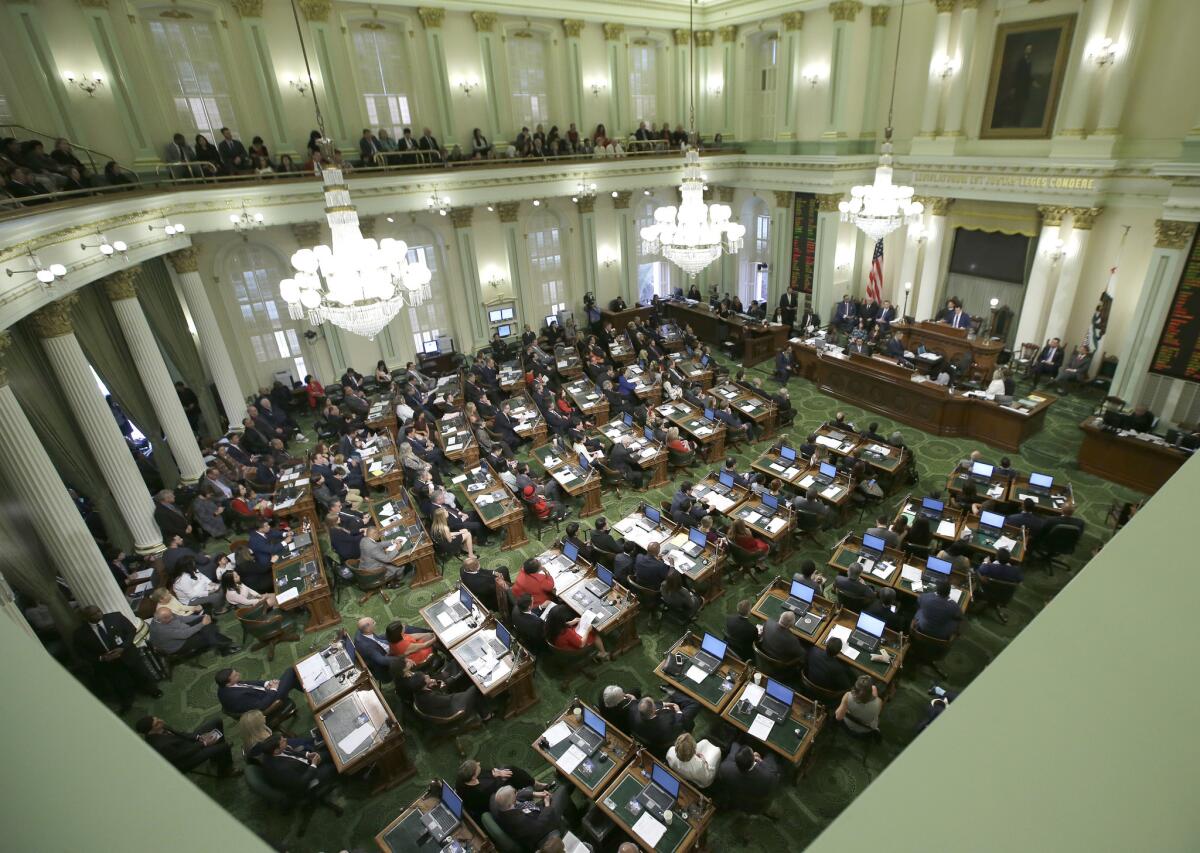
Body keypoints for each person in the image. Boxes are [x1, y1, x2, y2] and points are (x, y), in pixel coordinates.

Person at [73, 605, 161, 712]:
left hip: (127, 653)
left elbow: (131, 630)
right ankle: (127, 701)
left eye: (99, 611)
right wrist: (102, 658)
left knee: (141, 673)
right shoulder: (80, 634)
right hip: (109, 663)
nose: (98, 614)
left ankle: (152, 690)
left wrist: (122, 648)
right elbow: (82, 653)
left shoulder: (115, 617)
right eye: (94, 614)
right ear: (86, 618)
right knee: (120, 682)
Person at [136, 715, 237, 776]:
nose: (161, 721)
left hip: (188, 744)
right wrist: (204, 743)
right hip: (185, 760)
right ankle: (225, 771)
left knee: (216, 721)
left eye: (157, 719)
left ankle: (216, 757)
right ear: (151, 731)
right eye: (157, 723)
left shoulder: (161, 726)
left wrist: (198, 737)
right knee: (225, 746)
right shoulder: (161, 745)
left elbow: (181, 734)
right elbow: (183, 755)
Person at [491, 784, 572, 851]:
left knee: (558, 796)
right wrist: (547, 805)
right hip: (544, 828)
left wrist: (534, 794)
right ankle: (575, 821)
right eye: (515, 793)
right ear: (511, 802)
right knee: (562, 790)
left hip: (534, 813)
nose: (517, 793)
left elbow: (514, 796)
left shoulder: (497, 803)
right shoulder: (519, 821)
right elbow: (539, 825)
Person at [455, 760, 541, 822]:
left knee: (507, 769)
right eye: (477, 766)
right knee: (511, 772)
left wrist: (495, 773)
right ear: (473, 777)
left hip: (491, 788)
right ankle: (533, 786)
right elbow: (495, 787)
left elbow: (486, 772)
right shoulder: (482, 791)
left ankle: (533, 784)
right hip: (492, 803)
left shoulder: (461, 780)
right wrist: (498, 775)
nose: (478, 763)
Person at [148, 606, 238, 657]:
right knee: (205, 634)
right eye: (170, 616)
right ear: (163, 619)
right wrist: (202, 624)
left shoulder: (166, 615)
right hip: (178, 645)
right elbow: (184, 635)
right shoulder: (161, 630)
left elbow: (182, 618)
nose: (173, 617)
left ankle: (223, 646)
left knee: (205, 628)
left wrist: (201, 617)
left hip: (181, 630)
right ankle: (224, 648)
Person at [716, 744, 781, 814]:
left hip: (738, 800)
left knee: (735, 744)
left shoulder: (724, 769)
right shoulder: (769, 777)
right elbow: (774, 773)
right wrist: (760, 761)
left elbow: (734, 749)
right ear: (754, 758)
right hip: (755, 806)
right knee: (771, 755)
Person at [214, 667, 298, 720]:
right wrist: (273, 689)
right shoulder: (237, 697)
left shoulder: (224, 687)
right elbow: (261, 706)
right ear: (228, 683)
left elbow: (249, 684)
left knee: (293, 679)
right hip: (270, 704)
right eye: (235, 675)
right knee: (291, 671)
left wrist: (268, 683)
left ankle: (307, 690)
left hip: (264, 694)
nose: (239, 674)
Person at [628, 694, 701, 753]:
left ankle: (675, 695)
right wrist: (678, 711)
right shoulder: (666, 723)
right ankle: (674, 694)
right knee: (695, 704)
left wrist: (663, 704)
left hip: (650, 740)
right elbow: (679, 723)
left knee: (672, 701)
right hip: (672, 731)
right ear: (654, 709)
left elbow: (637, 703)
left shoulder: (632, 712)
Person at [544, 602, 610, 659]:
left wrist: (571, 622)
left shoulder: (549, 624)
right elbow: (581, 644)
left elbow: (559, 625)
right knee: (594, 634)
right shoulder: (565, 632)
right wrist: (587, 631)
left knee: (577, 627)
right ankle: (603, 653)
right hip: (571, 651)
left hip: (558, 643)